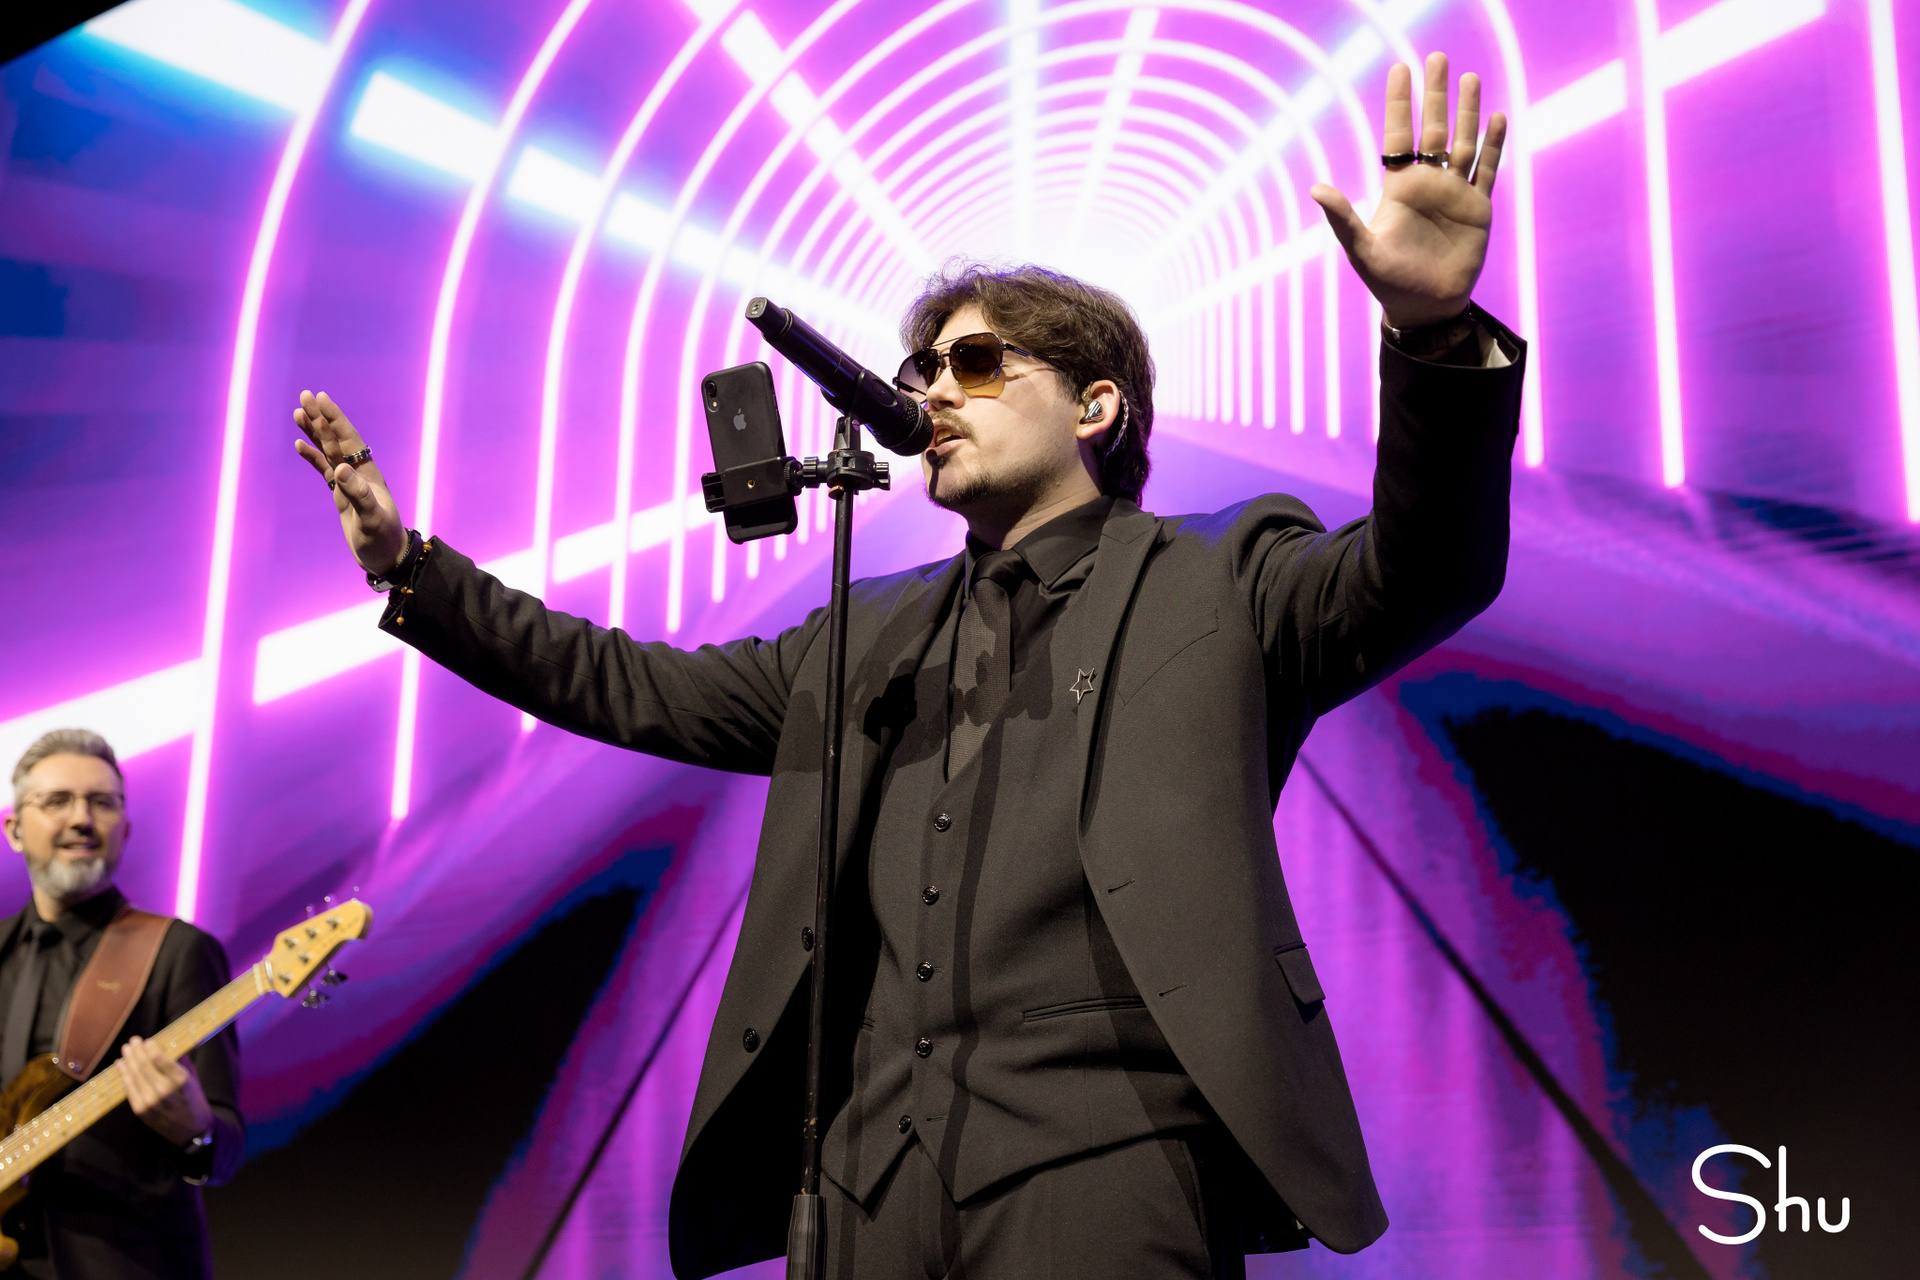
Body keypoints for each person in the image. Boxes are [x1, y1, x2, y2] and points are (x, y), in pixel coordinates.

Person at [294, 55, 1521, 1279]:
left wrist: (1429, 334)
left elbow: (1427, 568)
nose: (935, 391)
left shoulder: (1222, 578)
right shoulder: (865, 630)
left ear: (1095, 406)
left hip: (1111, 1164)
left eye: (977, 364)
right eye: (924, 370)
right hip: (861, 1186)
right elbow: (627, 682)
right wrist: (413, 568)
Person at [0, 730, 244, 1278]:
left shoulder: (179, 952)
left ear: (125, 829)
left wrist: (196, 1129)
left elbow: (226, 1146)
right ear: (13, 830)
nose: (82, 818)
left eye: (102, 802)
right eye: (57, 801)